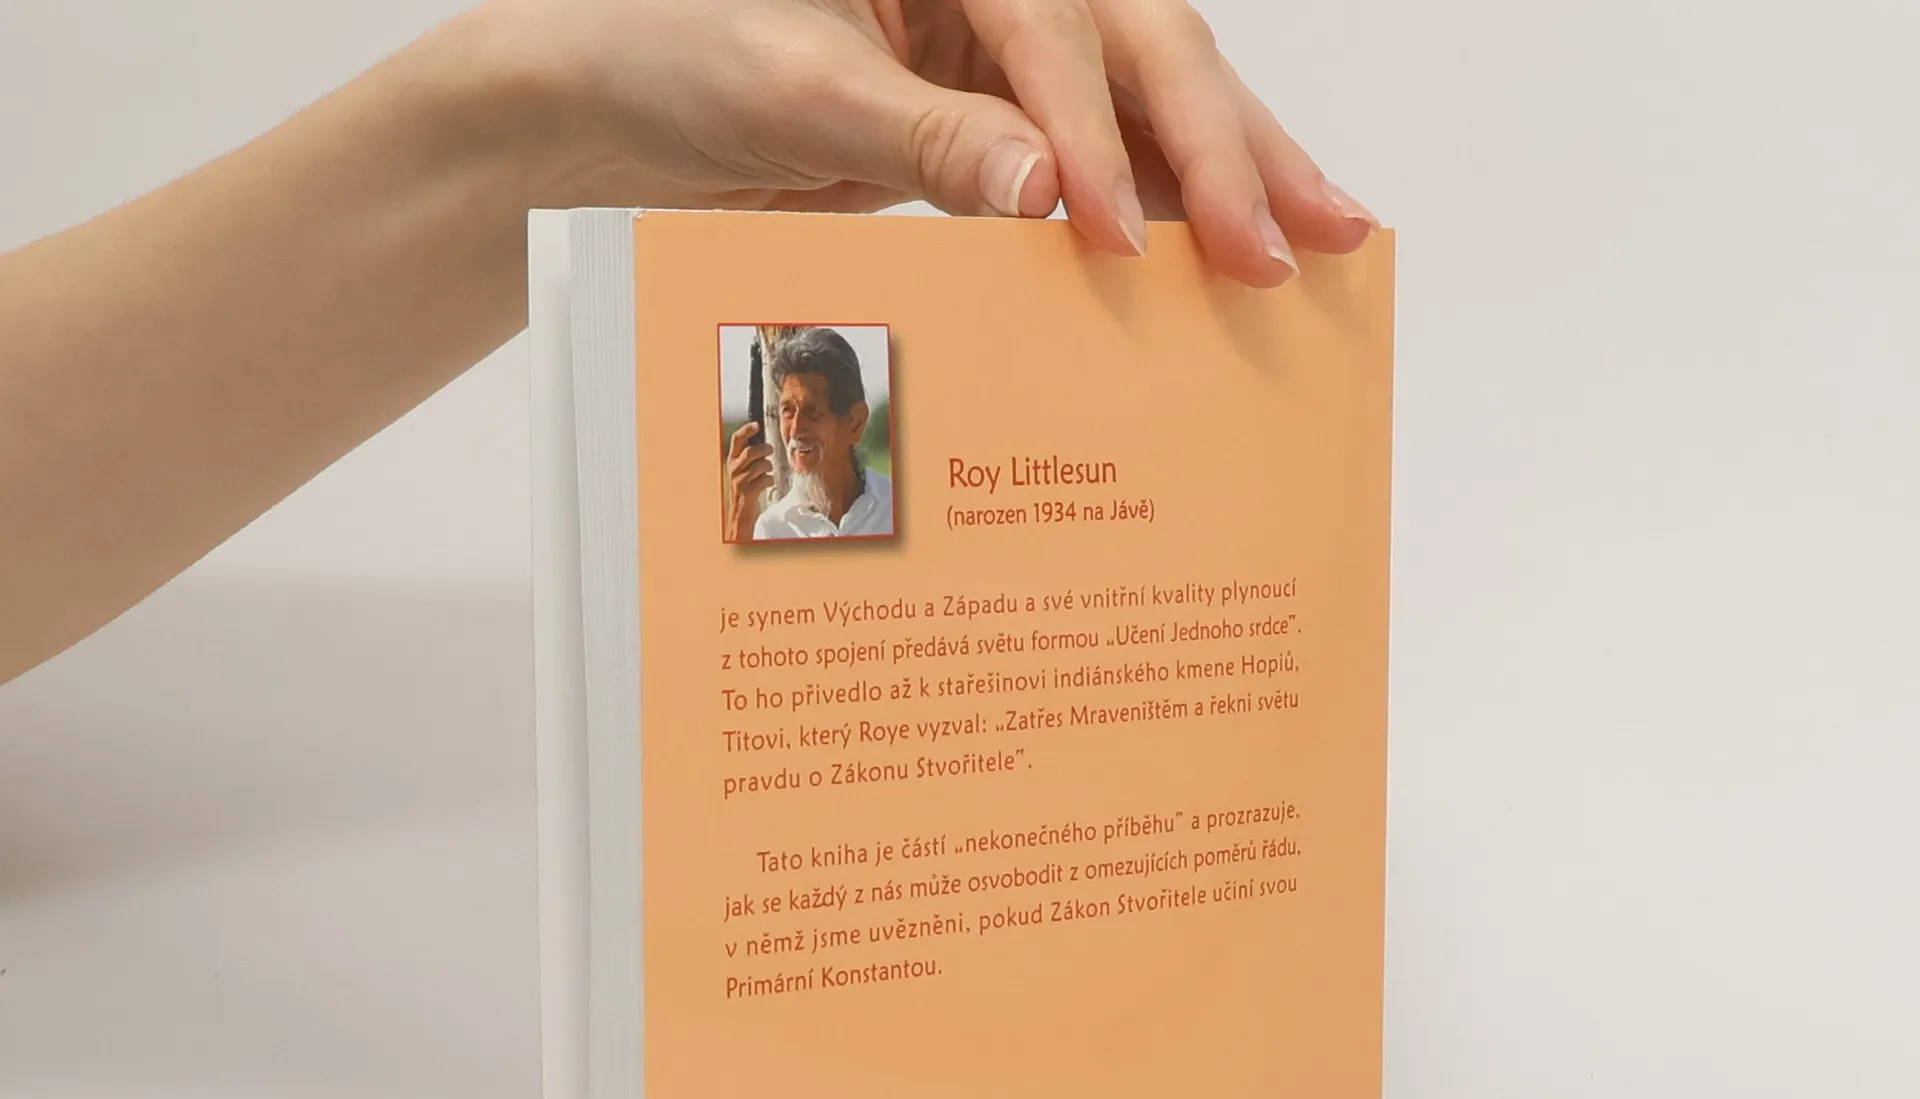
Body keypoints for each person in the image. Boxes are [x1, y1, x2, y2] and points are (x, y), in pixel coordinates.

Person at [0, 0, 1376, 685]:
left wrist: (542, 135)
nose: (784, 426)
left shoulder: (854, 517)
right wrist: (536, 121)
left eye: (804, 409)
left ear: (853, 419)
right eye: (779, 407)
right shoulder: (775, 522)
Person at [725, 328, 895, 542]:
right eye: (787, 411)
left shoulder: (896, 507)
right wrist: (739, 519)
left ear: (854, 424)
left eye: (812, 413)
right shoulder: (771, 528)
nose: (795, 430)